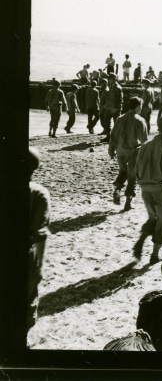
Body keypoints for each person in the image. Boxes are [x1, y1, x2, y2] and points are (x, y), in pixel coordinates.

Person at [133, 115, 162, 265]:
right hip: (160, 190)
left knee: (152, 218)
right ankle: (154, 255)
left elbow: (136, 168)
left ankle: (142, 238)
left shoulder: (145, 145)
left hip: (145, 189)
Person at [110, 96, 149, 212]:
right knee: (132, 178)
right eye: (140, 107)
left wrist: (111, 150)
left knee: (123, 172)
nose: (141, 109)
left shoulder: (119, 119)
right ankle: (128, 203)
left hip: (120, 151)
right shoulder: (140, 120)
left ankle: (117, 190)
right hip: (133, 152)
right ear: (137, 107)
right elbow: (144, 141)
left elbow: (113, 136)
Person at [27, 147, 50, 345]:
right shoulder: (38, 193)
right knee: (28, 297)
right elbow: (40, 235)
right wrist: (40, 265)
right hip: (24, 256)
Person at [102, 74, 124, 141]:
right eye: (109, 79)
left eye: (111, 79)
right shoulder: (109, 86)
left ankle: (117, 137)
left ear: (115, 79)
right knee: (106, 122)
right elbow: (107, 97)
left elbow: (120, 100)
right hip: (109, 107)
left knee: (117, 123)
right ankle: (108, 136)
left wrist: (117, 109)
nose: (109, 80)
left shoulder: (118, 88)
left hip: (115, 108)